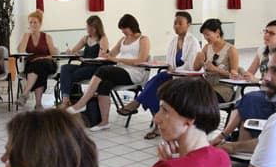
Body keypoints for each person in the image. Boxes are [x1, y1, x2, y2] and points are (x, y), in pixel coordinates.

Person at [116, 11, 202, 139]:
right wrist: (170, 68)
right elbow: (169, 62)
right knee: (157, 87)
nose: (176, 26)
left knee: (159, 79)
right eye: (175, 23)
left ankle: (137, 103)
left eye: (180, 23)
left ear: (188, 25)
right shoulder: (173, 41)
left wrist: (174, 70)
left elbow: (191, 66)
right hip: (174, 76)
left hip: (188, 79)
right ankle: (157, 126)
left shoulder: (193, 41)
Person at [67, 14, 150, 132]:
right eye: (121, 29)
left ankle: (81, 103)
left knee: (102, 70)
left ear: (131, 26)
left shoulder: (143, 40)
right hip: (121, 70)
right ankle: (104, 122)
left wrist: (117, 60)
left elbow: (140, 60)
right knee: (104, 84)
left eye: (124, 28)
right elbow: (111, 54)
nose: (123, 32)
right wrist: (105, 55)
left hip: (134, 73)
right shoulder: (123, 40)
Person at [211, 20, 276, 143]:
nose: (266, 35)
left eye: (271, 33)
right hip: (263, 94)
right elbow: (250, 72)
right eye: (266, 31)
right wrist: (241, 76)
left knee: (248, 98)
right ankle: (229, 138)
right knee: (245, 102)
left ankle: (223, 136)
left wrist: (257, 81)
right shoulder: (262, 50)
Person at [58, 15, 109, 109]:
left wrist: (86, 59)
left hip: (94, 68)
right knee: (64, 68)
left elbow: (101, 58)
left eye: (91, 27)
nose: (89, 29)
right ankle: (66, 99)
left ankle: (67, 101)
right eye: (88, 26)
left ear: (97, 27)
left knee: (70, 76)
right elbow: (74, 50)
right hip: (84, 65)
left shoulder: (102, 39)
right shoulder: (85, 38)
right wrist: (71, 52)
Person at [16, 10, 58, 110]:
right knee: (38, 69)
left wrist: (42, 57)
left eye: (35, 22)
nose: (32, 24)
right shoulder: (26, 36)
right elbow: (20, 51)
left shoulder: (47, 37)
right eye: (30, 22)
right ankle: (38, 104)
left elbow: (54, 54)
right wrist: (26, 36)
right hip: (32, 65)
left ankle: (25, 94)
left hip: (47, 62)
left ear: (40, 24)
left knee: (40, 65)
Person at [193, 18, 239, 103]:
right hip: (208, 86)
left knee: (200, 99)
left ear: (217, 32)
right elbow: (196, 68)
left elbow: (235, 77)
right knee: (188, 94)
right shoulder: (207, 47)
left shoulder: (231, 50)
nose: (205, 38)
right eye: (204, 35)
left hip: (223, 89)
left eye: (208, 34)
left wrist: (216, 69)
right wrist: (198, 59)